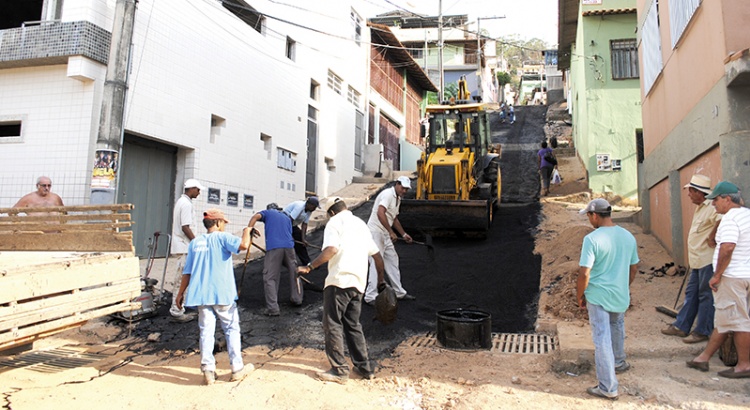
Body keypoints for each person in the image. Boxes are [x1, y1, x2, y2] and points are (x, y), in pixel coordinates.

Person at [297, 197, 386, 384]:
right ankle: (364, 367)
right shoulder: (360, 224)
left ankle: (339, 370)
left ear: (331, 212)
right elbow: (377, 257)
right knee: (353, 324)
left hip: (339, 281)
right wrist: (381, 283)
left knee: (332, 324)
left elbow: (331, 249)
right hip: (358, 283)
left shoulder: (334, 222)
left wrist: (310, 267)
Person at [174, 209, 253, 385]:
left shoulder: (195, 243)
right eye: (223, 222)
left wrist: (180, 294)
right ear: (217, 223)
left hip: (202, 295)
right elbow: (243, 245)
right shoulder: (223, 238)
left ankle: (208, 371)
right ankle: (237, 369)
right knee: (231, 329)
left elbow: (187, 272)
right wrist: (246, 231)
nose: (224, 225)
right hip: (222, 293)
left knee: (206, 332)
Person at [576, 198, 639, 400]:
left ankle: (607, 387)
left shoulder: (592, 239)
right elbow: (634, 267)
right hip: (619, 294)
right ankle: (619, 362)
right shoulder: (628, 236)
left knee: (602, 338)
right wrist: (624, 286)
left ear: (595, 215)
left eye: (588, 216)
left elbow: (584, 273)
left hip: (598, 296)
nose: (588, 220)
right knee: (617, 325)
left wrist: (580, 295)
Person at [686, 181, 750, 378]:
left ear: (727, 199)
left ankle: (744, 366)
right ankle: (703, 358)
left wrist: (717, 275)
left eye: (716, 200)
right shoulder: (746, 215)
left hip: (732, 277)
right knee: (725, 319)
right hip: (744, 274)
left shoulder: (731, 219)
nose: (713, 204)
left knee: (738, 321)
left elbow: (727, 247)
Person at [662, 175, 720, 343]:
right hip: (697, 260)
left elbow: (722, 220)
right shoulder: (700, 206)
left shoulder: (712, 207)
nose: (688, 195)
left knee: (705, 295)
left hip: (707, 260)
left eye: (690, 192)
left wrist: (712, 236)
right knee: (692, 293)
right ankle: (682, 326)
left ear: (698, 192)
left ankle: (703, 330)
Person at [363, 176, 415, 305]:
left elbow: (394, 218)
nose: (404, 191)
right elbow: (380, 213)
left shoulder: (397, 198)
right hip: (375, 232)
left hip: (384, 233)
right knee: (376, 262)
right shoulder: (387, 194)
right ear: (397, 184)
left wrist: (403, 234)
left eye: (406, 189)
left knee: (392, 259)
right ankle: (370, 296)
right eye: (402, 188)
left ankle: (399, 292)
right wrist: (391, 232)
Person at [247, 203, 301, 316]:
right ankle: (297, 299)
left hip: (275, 248)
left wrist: (249, 229)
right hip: (289, 247)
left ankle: (273, 309)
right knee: (294, 272)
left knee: (270, 277)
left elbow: (255, 217)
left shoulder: (268, 213)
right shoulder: (286, 217)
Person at [169, 178, 205, 321]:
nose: (199, 192)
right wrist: (196, 242)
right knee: (182, 279)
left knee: (185, 277)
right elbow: (185, 227)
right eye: (198, 190)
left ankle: (183, 304)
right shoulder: (185, 204)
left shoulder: (182, 202)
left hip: (183, 245)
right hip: (184, 245)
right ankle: (176, 310)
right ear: (192, 189)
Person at [282, 196, 320, 265]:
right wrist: (289, 235)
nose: (315, 209)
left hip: (292, 225)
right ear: (309, 204)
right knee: (288, 242)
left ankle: (307, 262)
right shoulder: (299, 207)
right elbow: (289, 220)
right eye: (314, 207)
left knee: (300, 241)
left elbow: (304, 225)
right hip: (283, 223)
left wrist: (303, 239)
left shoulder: (309, 211)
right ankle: (283, 261)